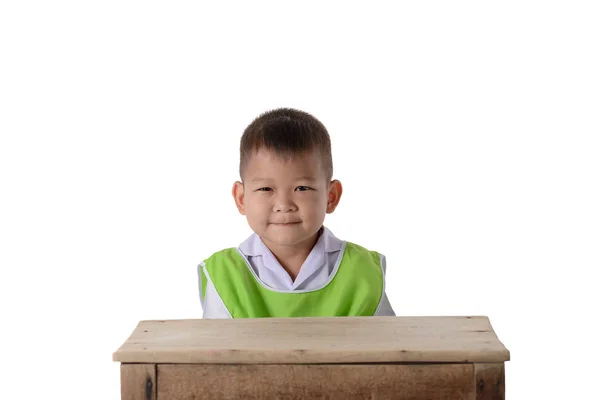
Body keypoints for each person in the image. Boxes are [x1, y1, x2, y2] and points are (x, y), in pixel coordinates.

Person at [198, 108, 395, 318]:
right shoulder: (223, 274)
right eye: (266, 189)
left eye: (302, 188)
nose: (284, 204)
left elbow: (388, 348)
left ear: (331, 196)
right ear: (241, 199)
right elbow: (217, 350)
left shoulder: (363, 271)